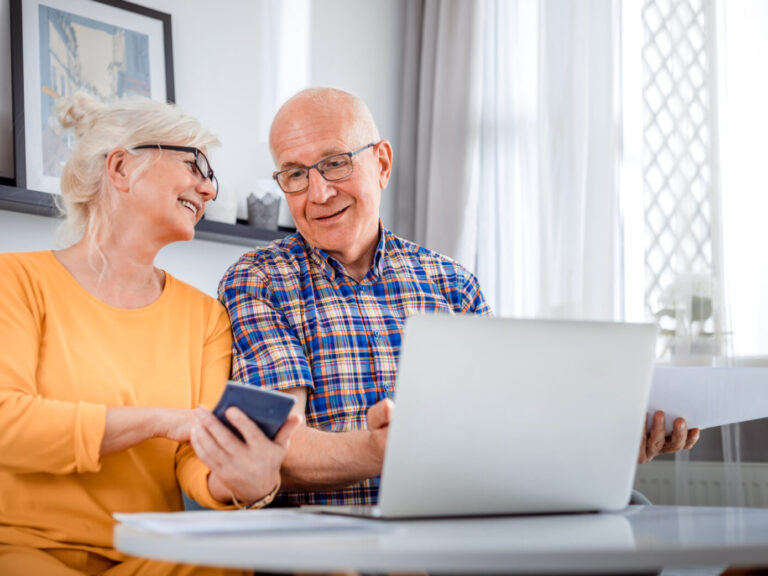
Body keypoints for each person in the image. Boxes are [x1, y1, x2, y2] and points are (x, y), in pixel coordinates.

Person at [218, 87, 699, 507]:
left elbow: (505, 428)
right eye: (295, 174)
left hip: (461, 521)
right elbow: (277, 447)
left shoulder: (452, 283)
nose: (318, 192)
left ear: (381, 163)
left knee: (633, 514)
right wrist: (390, 449)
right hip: (337, 540)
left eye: (336, 163)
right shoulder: (258, 280)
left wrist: (604, 445)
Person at [0, 93, 300, 576]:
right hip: (24, 552)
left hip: (153, 557)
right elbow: (7, 424)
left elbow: (195, 461)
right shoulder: (14, 282)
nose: (209, 191)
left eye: (211, 177)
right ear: (120, 167)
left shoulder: (205, 317)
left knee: (246, 560)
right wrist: (159, 420)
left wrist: (242, 478)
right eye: (195, 165)